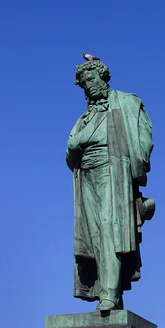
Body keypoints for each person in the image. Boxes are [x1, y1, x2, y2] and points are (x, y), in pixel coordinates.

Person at [66, 56, 154, 313]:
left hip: (113, 172)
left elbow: (144, 139)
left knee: (109, 230)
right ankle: (114, 296)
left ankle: (108, 294)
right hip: (87, 177)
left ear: (102, 76)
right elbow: (70, 153)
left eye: (90, 79)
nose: (88, 86)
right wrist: (75, 144)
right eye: (83, 84)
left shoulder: (126, 103)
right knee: (94, 237)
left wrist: (133, 170)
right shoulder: (84, 118)